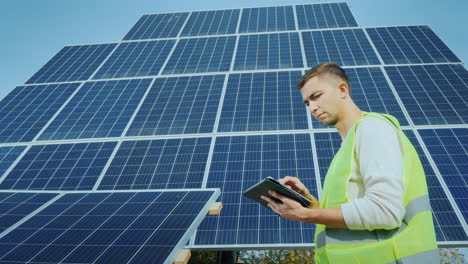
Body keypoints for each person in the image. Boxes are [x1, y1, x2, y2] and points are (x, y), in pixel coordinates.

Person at [261, 62, 439, 263]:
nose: (312, 107)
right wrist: (310, 204)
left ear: (342, 90)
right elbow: (351, 215)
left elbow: (385, 210)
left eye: (316, 96)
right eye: (307, 103)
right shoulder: (346, 148)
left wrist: (306, 216)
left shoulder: (373, 129)